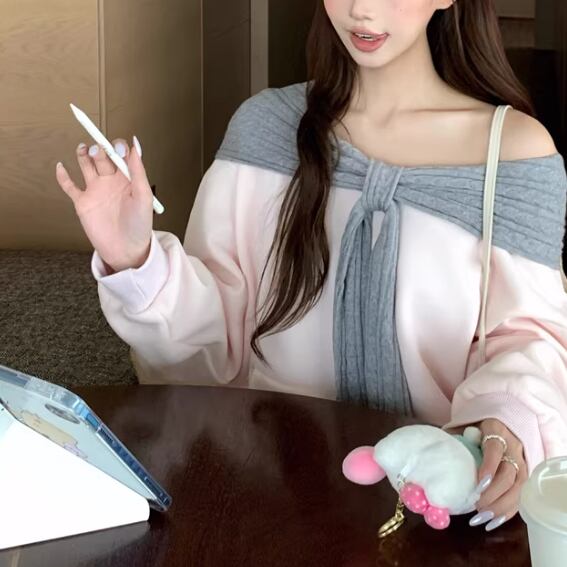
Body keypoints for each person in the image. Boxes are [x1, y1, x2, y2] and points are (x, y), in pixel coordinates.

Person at [55, 0, 567, 533]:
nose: (361, 9)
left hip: (434, 510)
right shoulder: (265, 130)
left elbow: (532, 340)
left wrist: (508, 421)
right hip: (271, 497)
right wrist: (133, 257)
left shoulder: (514, 155)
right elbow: (215, 338)